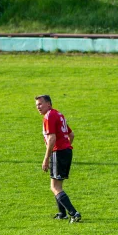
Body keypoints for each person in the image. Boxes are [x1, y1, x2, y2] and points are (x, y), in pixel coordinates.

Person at [35, 95, 81, 223]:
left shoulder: (49, 116)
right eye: (37, 105)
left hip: (58, 152)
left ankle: (74, 213)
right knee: (56, 185)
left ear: (48, 104)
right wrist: (66, 146)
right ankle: (62, 213)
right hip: (65, 151)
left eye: (40, 104)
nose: (38, 107)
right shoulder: (58, 114)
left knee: (55, 187)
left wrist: (46, 158)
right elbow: (71, 134)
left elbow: (52, 139)